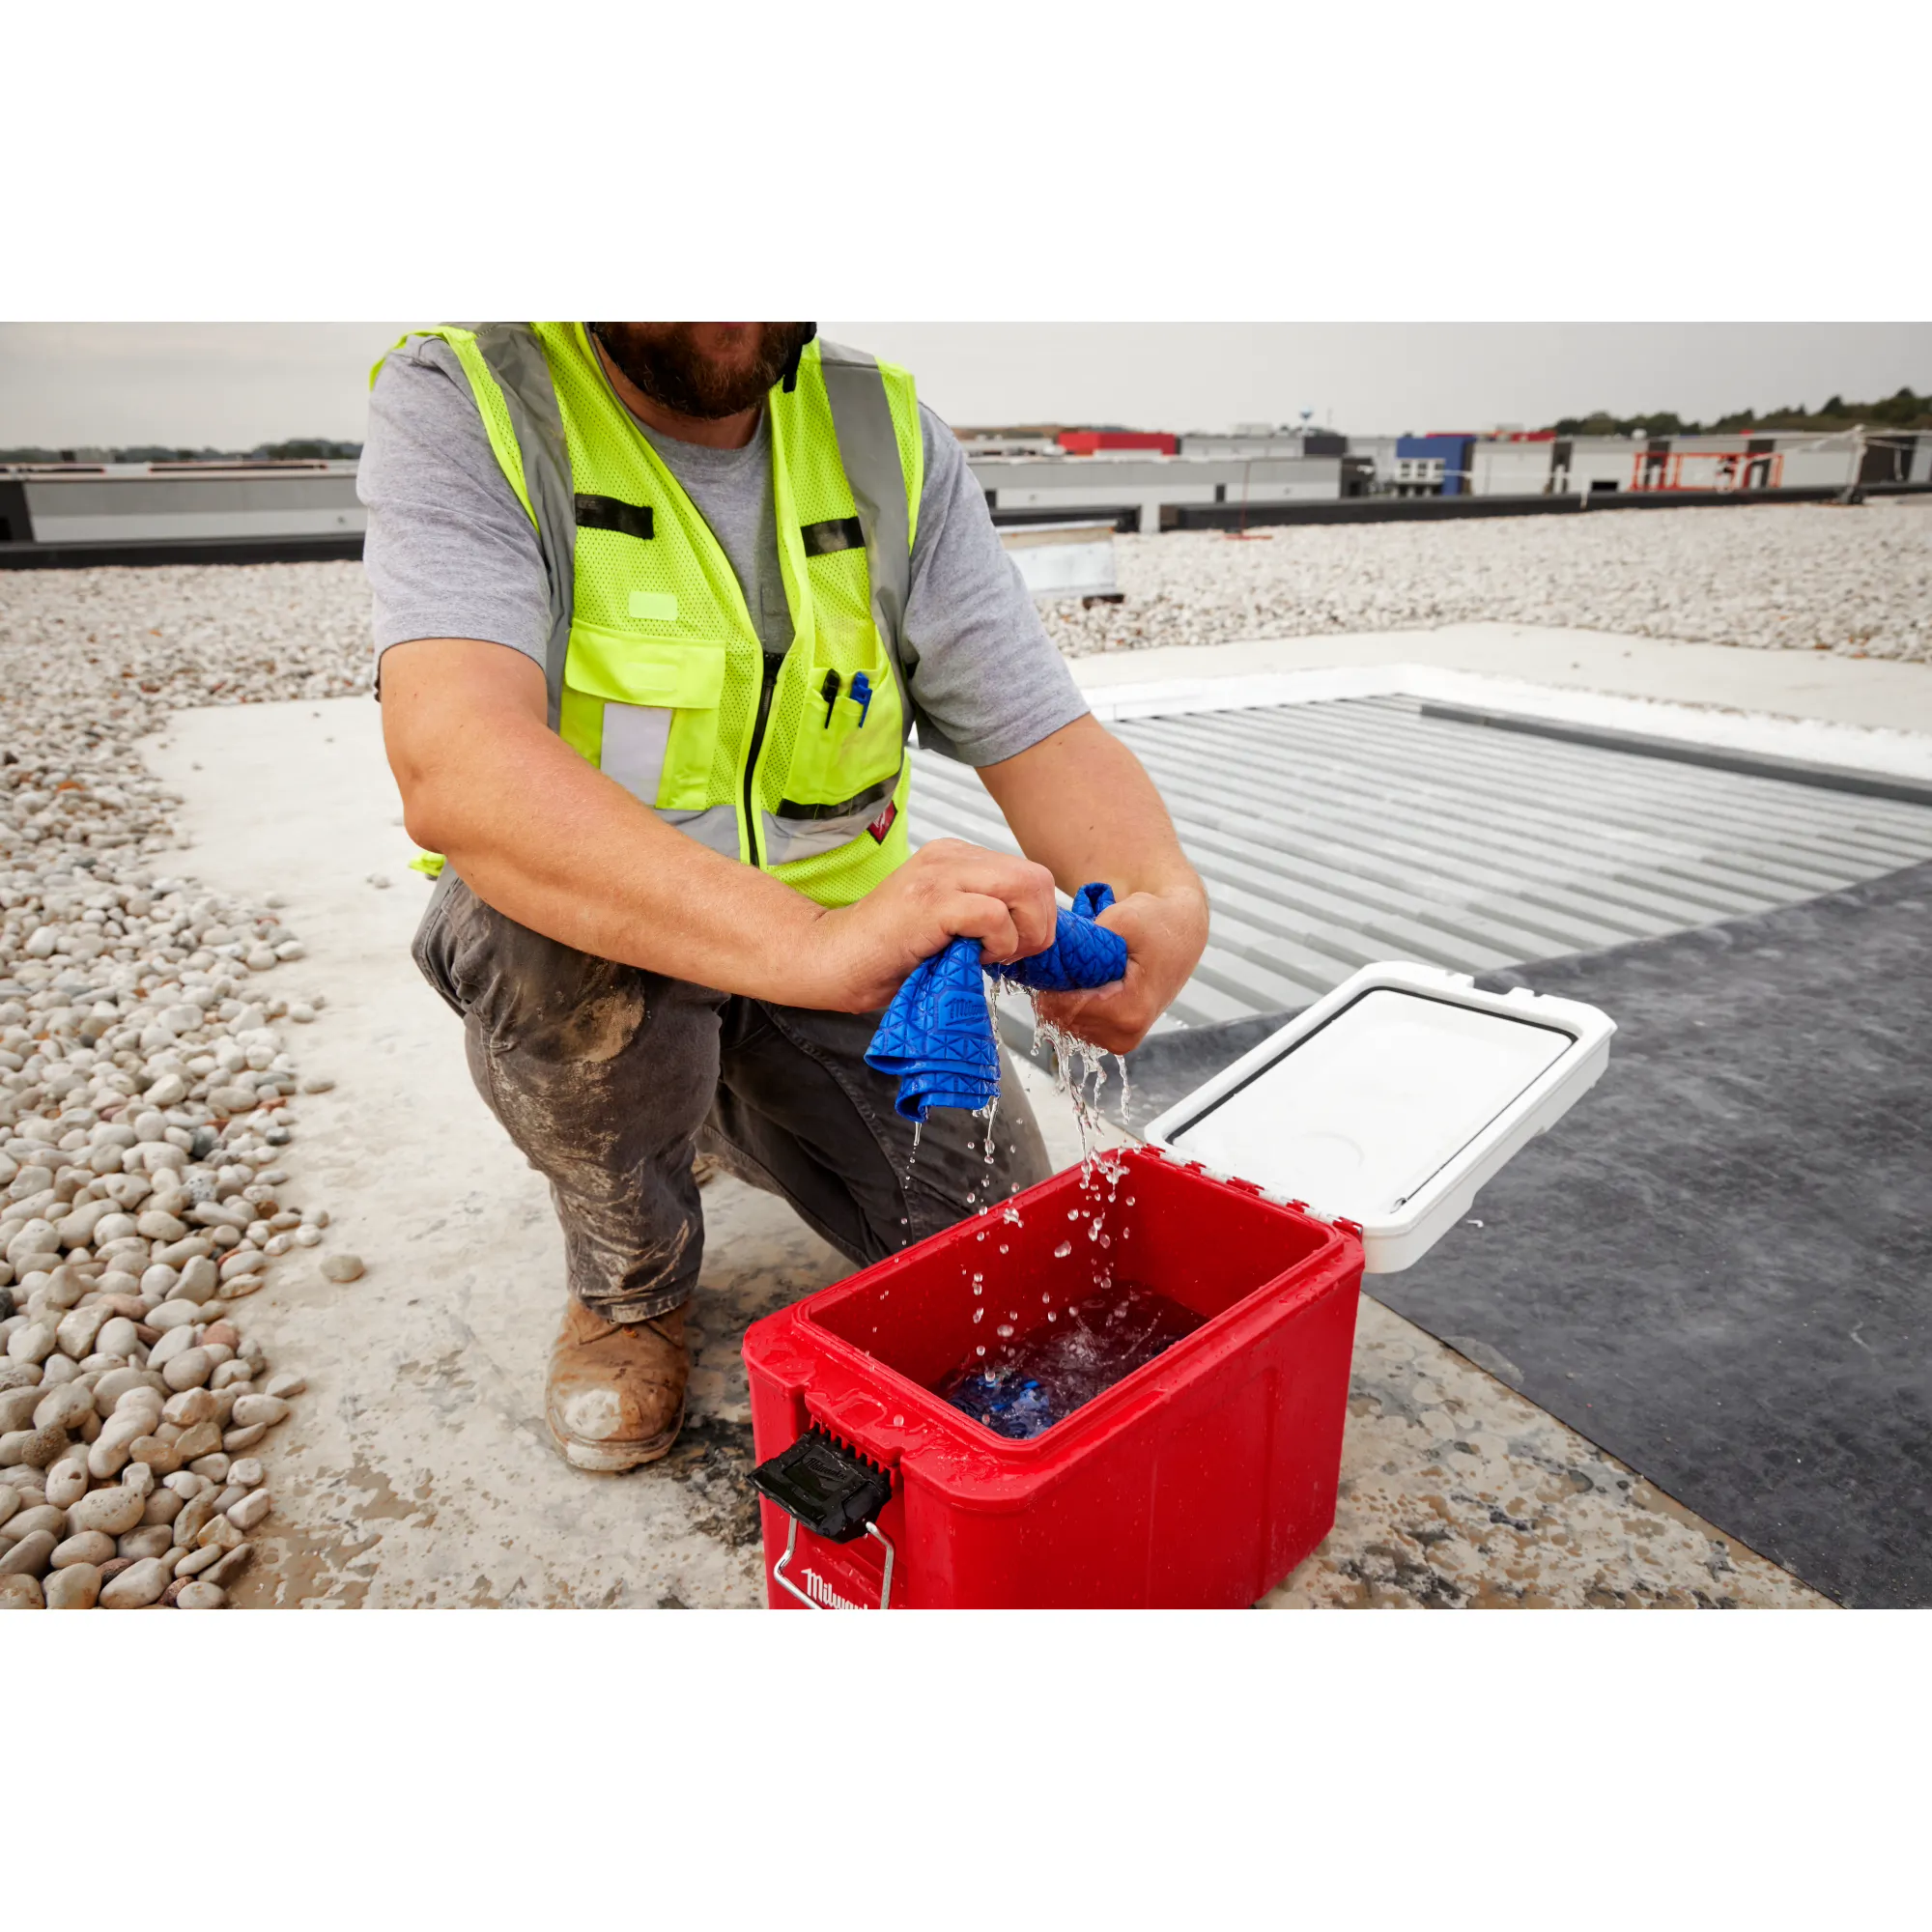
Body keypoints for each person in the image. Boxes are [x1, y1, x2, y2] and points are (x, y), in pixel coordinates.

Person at [359, 323, 1208, 1471]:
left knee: (991, 1261)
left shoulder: (879, 433)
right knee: (538, 945)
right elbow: (455, 760)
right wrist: (809, 942)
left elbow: (1035, 723)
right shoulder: (477, 401)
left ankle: (722, 1099)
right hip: (617, 938)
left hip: (839, 954)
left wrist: (1159, 891)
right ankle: (630, 1282)